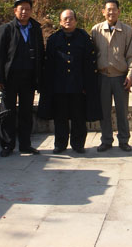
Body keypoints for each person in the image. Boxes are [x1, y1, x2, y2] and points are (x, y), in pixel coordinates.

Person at [38, 9, 101, 154]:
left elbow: (89, 63)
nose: (68, 21)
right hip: (59, 86)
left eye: (71, 18)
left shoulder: (84, 38)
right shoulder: (53, 39)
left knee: (79, 117)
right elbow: (49, 64)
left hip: (78, 85)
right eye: (65, 19)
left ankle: (78, 144)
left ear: (76, 21)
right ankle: (60, 144)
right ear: (60, 22)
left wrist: (87, 85)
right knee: (60, 117)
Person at [0, 0, 44, 157]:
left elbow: (41, 53)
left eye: (27, 9)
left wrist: (40, 78)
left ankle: (25, 145)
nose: (24, 12)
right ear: (15, 11)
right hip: (9, 78)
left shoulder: (35, 29)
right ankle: (8, 145)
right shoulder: (5, 29)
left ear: (31, 11)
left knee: (26, 112)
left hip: (29, 78)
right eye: (21, 9)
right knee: (8, 112)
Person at [91, 0, 132, 152]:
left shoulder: (127, 31)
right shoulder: (96, 30)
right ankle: (106, 140)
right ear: (103, 12)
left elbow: (131, 55)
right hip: (102, 77)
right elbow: (92, 55)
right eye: (108, 9)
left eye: (114, 9)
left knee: (122, 111)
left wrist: (130, 75)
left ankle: (124, 140)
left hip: (120, 77)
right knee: (104, 111)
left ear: (119, 11)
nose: (111, 12)